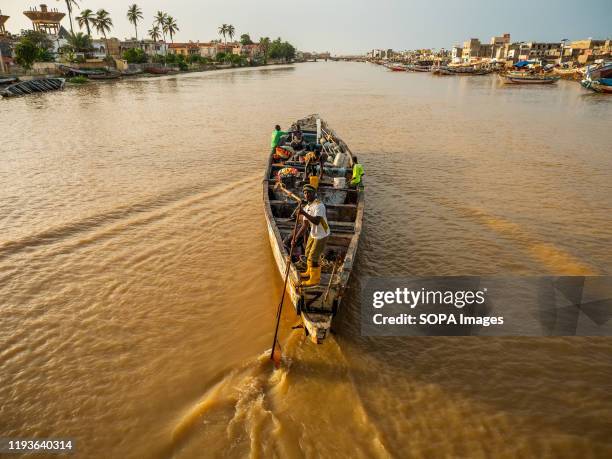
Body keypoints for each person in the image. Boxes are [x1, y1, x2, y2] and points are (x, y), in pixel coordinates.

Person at [296, 184, 330, 287]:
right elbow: (305, 225)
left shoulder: (319, 205)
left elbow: (316, 221)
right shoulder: (307, 207)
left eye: (309, 193)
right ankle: (308, 272)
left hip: (322, 234)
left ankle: (314, 279)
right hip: (314, 233)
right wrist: (296, 237)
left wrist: (303, 213)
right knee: (307, 252)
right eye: (305, 193)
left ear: (314, 194)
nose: (306, 195)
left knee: (313, 256)